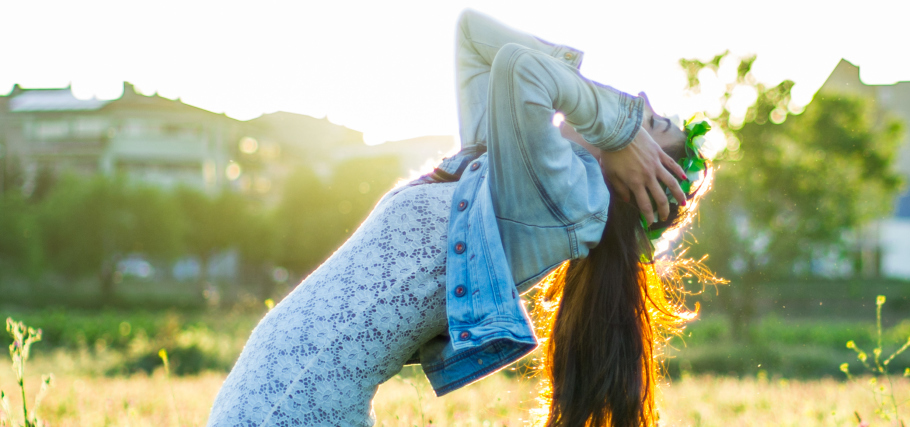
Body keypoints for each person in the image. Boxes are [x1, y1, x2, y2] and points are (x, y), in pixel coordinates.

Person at [206, 8, 712, 427]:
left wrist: (619, 126)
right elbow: (474, 36)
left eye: (652, 123)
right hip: (280, 398)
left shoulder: (569, 201)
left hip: (294, 406)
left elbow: (519, 67)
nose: (639, 103)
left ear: (644, 180)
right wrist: (620, 126)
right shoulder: (515, 173)